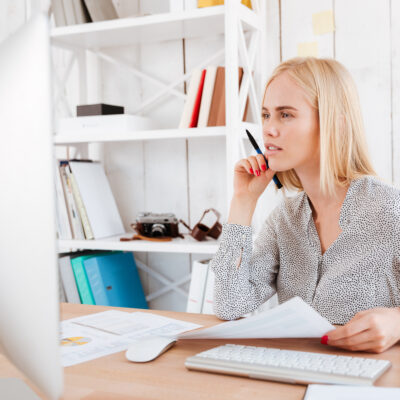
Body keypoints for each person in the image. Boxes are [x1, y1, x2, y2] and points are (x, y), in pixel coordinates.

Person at [210, 57, 400, 354]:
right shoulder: (284, 219)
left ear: (333, 121)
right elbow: (230, 305)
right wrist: (243, 203)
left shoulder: (389, 211)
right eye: (266, 115)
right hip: (295, 377)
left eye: (285, 115)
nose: (269, 129)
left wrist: (397, 321)